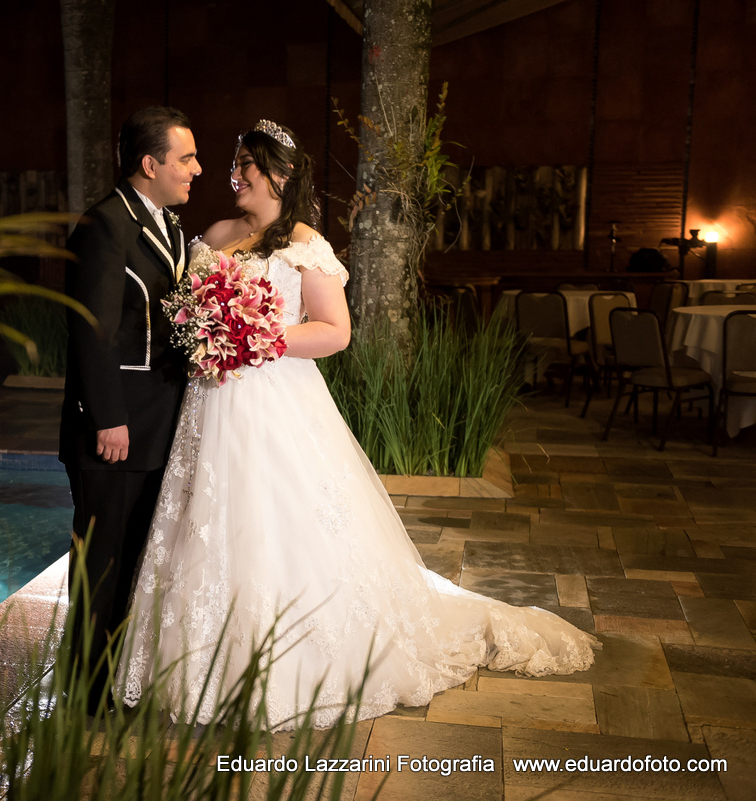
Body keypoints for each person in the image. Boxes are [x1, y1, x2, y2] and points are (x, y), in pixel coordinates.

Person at [117, 120, 598, 730]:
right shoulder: (213, 234)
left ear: (279, 175)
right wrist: (207, 334)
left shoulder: (306, 245)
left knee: (277, 518)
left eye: (246, 165)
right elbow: (189, 312)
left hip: (273, 397)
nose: (233, 175)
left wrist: (257, 336)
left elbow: (334, 332)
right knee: (207, 519)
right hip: (211, 401)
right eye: (233, 164)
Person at [59, 106, 201, 700]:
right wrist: (109, 418)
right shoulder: (104, 225)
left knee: (138, 562)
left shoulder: (165, 224)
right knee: (103, 565)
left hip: (158, 423)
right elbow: (89, 329)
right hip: (113, 431)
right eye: (186, 157)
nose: (197, 168)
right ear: (151, 164)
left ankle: (117, 680)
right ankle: (86, 693)